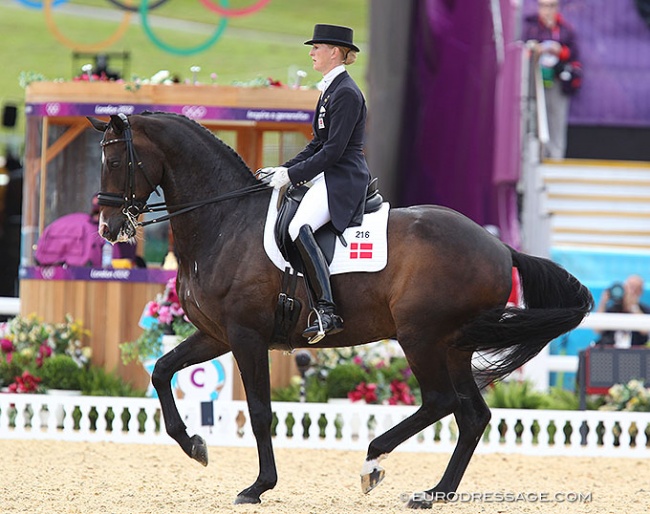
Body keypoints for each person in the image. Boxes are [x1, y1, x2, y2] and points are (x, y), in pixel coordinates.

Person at [263, 24, 371, 341]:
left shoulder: (347, 94)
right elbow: (315, 145)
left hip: (344, 177)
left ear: (334, 52)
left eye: (317, 48)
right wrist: (281, 170)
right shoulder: (330, 90)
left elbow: (334, 151)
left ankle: (327, 310)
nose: (311, 53)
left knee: (298, 227)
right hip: (329, 173)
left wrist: (293, 176)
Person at [522, 0, 581, 160]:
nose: (547, 10)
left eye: (551, 6)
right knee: (532, 116)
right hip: (534, 80)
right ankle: (533, 157)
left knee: (556, 119)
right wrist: (535, 50)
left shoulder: (565, 29)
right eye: (543, 5)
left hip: (556, 81)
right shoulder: (530, 26)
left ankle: (556, 157)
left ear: (557, 7)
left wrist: (559, 51)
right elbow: (521, 49)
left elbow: (574, 53)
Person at [596, 274, 650, 347]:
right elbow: (597, 329)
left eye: (635, 288)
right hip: (611, 351)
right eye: (629, 287)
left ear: (640, 292)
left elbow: (645, 331)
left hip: (635, 353)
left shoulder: (644, 310)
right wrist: (603, 302)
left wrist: (633, 307)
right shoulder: (613, 309)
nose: (631, 291)